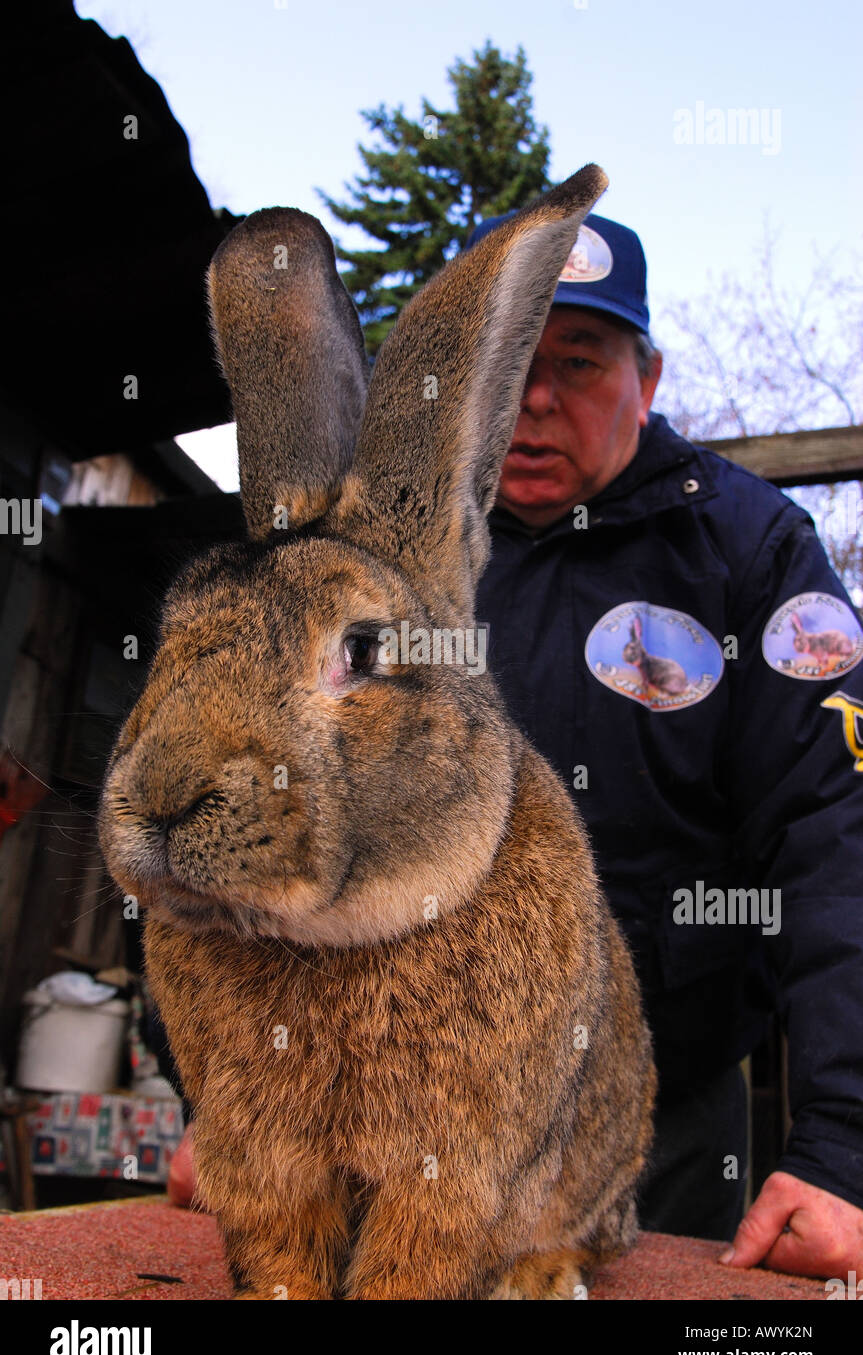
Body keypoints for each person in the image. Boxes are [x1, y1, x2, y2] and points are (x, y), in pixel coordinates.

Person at [168, 207, 863, 1284]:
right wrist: (231, 1109)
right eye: (513, 367)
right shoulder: (363, 565)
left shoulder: (745, 551)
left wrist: (841, 1148)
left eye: (578, 364)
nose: (533, 403)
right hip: (343, 1092)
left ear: (649, 373)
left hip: (646, 1105)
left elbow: (834, 831)